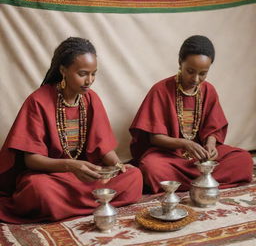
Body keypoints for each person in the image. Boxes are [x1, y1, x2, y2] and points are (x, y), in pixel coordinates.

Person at [0, 37, 143, 224]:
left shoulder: (91, 99)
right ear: (63, 70)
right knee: (38, 190)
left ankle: (68, 206)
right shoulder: (38, 101)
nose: (89, 81)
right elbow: (31, 160)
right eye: (83, 74)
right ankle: (96, 201)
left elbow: (104, 148)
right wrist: (70, 166)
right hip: (52, 178)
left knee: (134, 176)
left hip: (86, 177)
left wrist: (118, 166)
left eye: (94, 74)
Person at [129, 35, 253, 193]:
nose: (196, 79)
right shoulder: (160, 90)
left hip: (201, 156)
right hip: (170, 156)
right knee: (151, 168)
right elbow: (155, 137)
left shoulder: (208, 90)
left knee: (244, 160)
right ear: (180, 63)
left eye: (203, 73)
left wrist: (211, 144)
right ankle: (205, 181)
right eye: (190, 71)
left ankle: (180, 184)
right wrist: (185, 144)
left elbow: (214, 127)